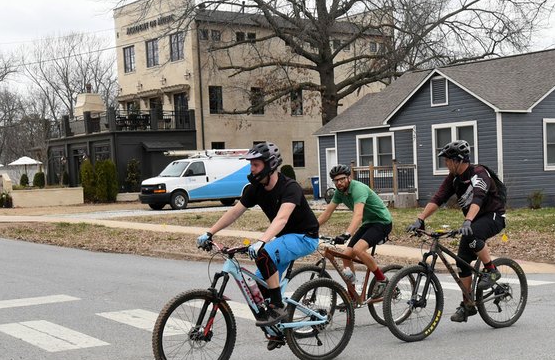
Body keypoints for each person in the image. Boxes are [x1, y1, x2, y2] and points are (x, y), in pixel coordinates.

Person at [197, 142, 320, 348]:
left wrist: (262, 241)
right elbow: (235, 212)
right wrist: (210, 232)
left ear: (270, 165)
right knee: (258, 289)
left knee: (265, 254)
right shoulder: (255, 189)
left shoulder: (290, 187)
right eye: (251, 165)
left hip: (304, 237)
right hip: (282, 239)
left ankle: (278, 306)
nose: (251, 169)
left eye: (255, 165)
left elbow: (281, 219)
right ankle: (277, 332)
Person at [407, 140, 506, 322]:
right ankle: (467, 304)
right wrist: (420, 219)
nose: (445, 164)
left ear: (459, 160)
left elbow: (478, 197)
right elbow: (438, 198)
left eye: (447, 160)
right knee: (462, 261)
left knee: (474, 233)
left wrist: (467, 221)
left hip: (493, 216)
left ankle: (492, 270)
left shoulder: (479, 173)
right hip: (473, 220)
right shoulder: (453, 178)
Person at [317, 164, 393, 298]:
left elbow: (358, 215)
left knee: (358, 250)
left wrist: (347, 234)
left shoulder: (358, 189)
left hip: (382, 222)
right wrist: (311, 228)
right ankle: (352, 296)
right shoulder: (339, 193)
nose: (339, 183)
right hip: (368, 223)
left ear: (349, 178)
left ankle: (382, 279)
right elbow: (327, 212)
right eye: (336, 181)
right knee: (346, 255)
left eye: (342, 179)